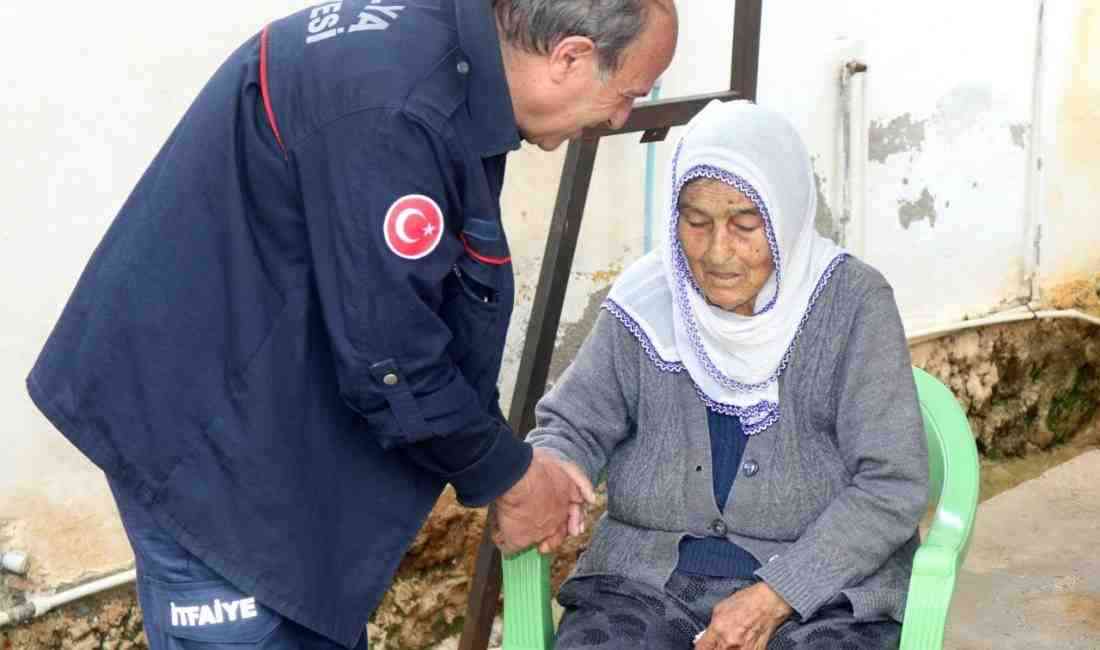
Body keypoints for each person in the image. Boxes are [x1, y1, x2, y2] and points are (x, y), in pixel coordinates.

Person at [25, 1, 677, 648]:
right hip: (198, 435)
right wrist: (505, 472)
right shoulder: (395, 108)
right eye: (627, 95)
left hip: (264, 394)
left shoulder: (445, 52)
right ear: (571, 57)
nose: (620, 119)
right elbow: (391, 353)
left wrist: (501, 465)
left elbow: (411, 298)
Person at [526, 100, 929, 650]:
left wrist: (779, 592)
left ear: (785, 217)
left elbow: (892, 483)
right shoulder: (648, 299)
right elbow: (572, 425)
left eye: (744, 224)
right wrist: (551, 470)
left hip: (828, 596)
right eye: (695, 221)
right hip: (644, 584)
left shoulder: (854, 304)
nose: (718, 252)